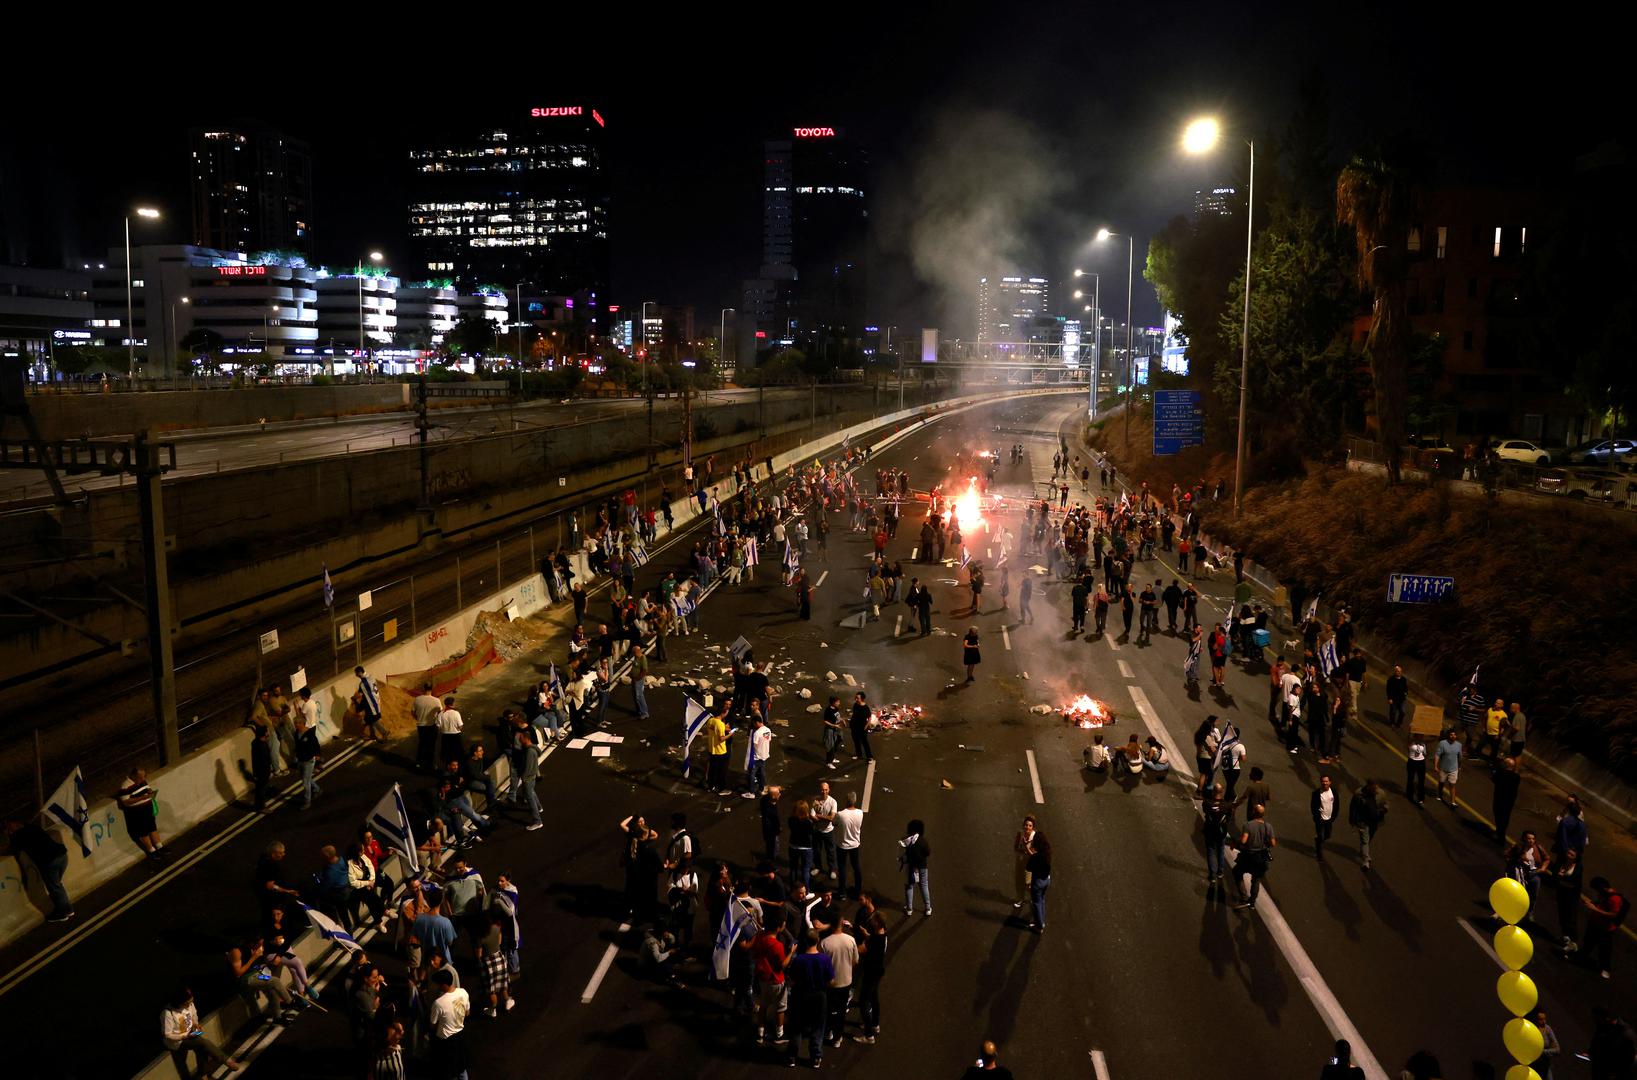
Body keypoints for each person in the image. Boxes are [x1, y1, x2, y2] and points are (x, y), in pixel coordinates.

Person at [4, 818, 74, 922]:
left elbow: (12, 850)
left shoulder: (18, 836)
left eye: (9, 828)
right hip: (61, 855)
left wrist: (10, 836)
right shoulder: (33, 827)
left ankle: (62, 912)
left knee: (54, 886)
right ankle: (66, 908)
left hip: (49, 861)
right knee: (56, 884)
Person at [161, 986, 241, 1075]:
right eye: (187, 1003)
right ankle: (227, 1061)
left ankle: (203, 1074)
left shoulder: (190, 1004)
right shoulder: (168, 1013)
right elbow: (167, 1035)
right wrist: (184, 1036)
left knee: (200, 1048)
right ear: (180, 1002)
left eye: (191, 1002)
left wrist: (195, 1024)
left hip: (189, 1033)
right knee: (199, 1046)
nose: (189, 1005)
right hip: (177, 1041)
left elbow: (194, 1015)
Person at [1580, 876, 1629, 980]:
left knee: (1604, 950)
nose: (1596, 891)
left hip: (1605, 929)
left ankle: (1606, 969)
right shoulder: (1605, 894)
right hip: (1595, 924)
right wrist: (1593, 904)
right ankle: (1581, 958)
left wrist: (1595, 909)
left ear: (1602, 887)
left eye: (1596, 889)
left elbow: (1613, 914)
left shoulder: (1615, 898)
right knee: (1588, 943)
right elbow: (1602, 904)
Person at [820, 918, 858, 1048]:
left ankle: (829, 1031)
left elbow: (821, 965)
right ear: (841, 925)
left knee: (829, 1008)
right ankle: (838, 1037)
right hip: (846, 980)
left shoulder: (825, 943)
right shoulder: (851, 940)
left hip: (830, 982)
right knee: (841, 1010)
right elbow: (855, 961)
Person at [427, 968, 471, 1079]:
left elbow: (433, 1024)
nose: (437, 987)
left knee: (449, 1071)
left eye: (438, 984)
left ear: (444, 985)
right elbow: (467, 1013)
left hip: (446, 1041)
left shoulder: (438, 1003)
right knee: (462, 1067)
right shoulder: (463, 992)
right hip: (460, 1035)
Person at [619, 814, 662, 920]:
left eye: (643, 820)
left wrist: (632, 817)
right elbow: (655, 835)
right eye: (640, 821)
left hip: (632, 865)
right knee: (637, 887)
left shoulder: (633, 833)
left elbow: (622, 824)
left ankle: (630, 907)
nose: (642, 823)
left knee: (631, 886)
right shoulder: (641, 837)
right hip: (638, 867)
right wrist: (647, 839)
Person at [116, 768, 165, 859]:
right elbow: (126, 802)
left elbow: (147, 788)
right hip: (137, 813)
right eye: (140, 777)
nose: (143, 779)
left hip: (147, 810)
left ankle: (159, 847)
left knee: (152, 828)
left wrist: (150, 792)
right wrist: (142, 798)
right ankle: (151, 851)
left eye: (144, 777)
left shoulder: (141, 781)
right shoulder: (124, 787)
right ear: (133, 776)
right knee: (143, 832)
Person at [1235, 803, 1276, 911]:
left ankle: (1244, 896)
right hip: (1261, 859)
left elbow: (1243, 840)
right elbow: (1273, 843)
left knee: (1237, 872)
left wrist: (1236, 842)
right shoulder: (1268, 826)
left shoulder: (1248, 825)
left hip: (1249, 857)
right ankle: (1252, 902)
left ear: (1254, 812)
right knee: (1256, 880)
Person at [1348, 779, 1386, 872]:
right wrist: (1352, 819)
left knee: (1369, 838)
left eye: (1376, 788)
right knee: (1365, 840)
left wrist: (1384, 810)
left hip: (1375, 821)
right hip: (1362, 821)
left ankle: (1363, 851)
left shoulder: (1381, 793)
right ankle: (1366, 860)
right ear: (1368, 787)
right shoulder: (1359, 793)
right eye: (1374, 788)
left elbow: (1385, 804)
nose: (1376, 790)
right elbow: (1353, 807)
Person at [1553, 847, 1584, 953]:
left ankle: (1574, 942)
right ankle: (1565, 937)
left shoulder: (1578, 867)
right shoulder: (1561, 863)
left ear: (1576, 858)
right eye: (1568, 853)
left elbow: (1574, 881)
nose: (1568, 856)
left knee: (1571, 918)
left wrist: (1562, 877)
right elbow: (1555, 874)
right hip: (1561, 894)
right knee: (1562, 916)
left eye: (1572, 855)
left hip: (1571, 897)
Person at [1202, 784, 1232, 888]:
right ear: (1222, 792)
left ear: (1213, 792)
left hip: (1209, 831)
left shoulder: (1207, 803)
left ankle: (1212, 875)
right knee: (1220, 850)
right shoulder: (1227, 805)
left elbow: (1205, 811)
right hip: (1221, 832)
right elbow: (1229, 818)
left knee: (1210, 851)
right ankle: (1220, 871)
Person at [835, 792, 864, 900]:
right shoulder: (860, 813)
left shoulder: (840, 814)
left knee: (842, 867)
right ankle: (858, 891)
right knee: (856, 867)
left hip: (842, 845)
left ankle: (842, 892)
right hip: (855, 844)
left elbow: (834, 823)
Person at [900, 819, 931, 916]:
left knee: (909, 886)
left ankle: (909, 909)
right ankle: (927, 908)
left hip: (911, 867)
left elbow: (903, 852)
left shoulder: (907, 840)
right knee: (924, 886)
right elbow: (927, 852)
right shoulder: (923, 840)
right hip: (922, 866)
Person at [1025, 828, 1052, 933]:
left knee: (1036, 903)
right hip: (1046, 880)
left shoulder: (1035, 857)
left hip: (1037, 883)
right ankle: (1042, 921)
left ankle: (1039, 926)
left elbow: (1028, 869)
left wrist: (1028, 884)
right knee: (1042, 900)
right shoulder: (1048, 852)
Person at [294, 712, 322, 809]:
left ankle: (307, 801)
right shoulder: (296, 733)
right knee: (307, 779)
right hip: (300, 760)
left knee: (305, 783)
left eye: (298, 723)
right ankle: (317, 789)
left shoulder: (309, 734)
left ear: (302, 723)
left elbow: (316, 745)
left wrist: (317, 754)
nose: (296, 725)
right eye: (295, 723)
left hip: (309, 761)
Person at [812, 781, 839, 881]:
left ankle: (832, 869)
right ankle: (818, 867)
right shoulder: (815, 801)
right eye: (822, 789)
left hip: (828, 831)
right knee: (817, 851)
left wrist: (818, 816)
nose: (824, 791)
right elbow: (811, 816)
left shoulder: (833, 802)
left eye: (826, 789)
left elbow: (831, 818)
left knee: (830, 851)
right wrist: (824, 817)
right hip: (817, 830)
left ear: (829, 790)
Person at [787, 799, 816, 890]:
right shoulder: (808, 822)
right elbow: (811, 832)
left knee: (793, 868)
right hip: (805, 847)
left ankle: (793, 889)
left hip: (793, 846)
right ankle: (806, 890)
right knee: (805, 870)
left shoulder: (791, 820)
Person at [1492, 755, 1522, 842]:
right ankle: (1501, 832)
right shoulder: (1517, 777)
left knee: (1498, 815)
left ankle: (1500, 834)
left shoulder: (1501, 774)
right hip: (1510, 801)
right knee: (1505, 817)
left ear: (1506, 765)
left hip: (1499, 798)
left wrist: (1497, 766)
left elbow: (1494, 778)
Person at [1012, 815, 1038, 911]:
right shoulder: (1020, 834)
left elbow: (1034, 853)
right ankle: (1020, 898)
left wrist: (1026, 849)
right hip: (1020, 861)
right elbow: (1015, 847)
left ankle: (1033, 899)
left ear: (1032, 827)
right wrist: (1021, 852)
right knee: (1018, 880)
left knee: (1028, 884)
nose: (1027, 827)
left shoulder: (1035, 837)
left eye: (1030, 825)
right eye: (1026, 825)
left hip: (1030, 864)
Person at [1311, 775, 1337, 863]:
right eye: (1323, 781)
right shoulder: (1316, 793)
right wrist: (1317, 817)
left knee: (1328, 835)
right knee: (1321, 837)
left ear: (1330, 782)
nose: (1324, 783)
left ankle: (1318, 839)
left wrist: (1333, 817)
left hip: (1329, 819)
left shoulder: (1333, 792)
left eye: (1326, 781)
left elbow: (1336, 804)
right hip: (1320, 820)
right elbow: (1313, 807)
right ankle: (1319, 856)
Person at [1434, 729, 1463, 808]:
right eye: (1451, 735)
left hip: (1454, 769)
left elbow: (1460, 757)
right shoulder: (1442, 743)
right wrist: (1436, 766)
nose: (1453, 736)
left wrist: (1459, 766)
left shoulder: (1459, 745)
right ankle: (1439, 795)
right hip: (1443, 768)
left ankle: (1453, 802)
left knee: (1452, 785)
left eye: (1454, 735)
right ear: (1448, 735)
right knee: (1441, 782)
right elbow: (1437, 755)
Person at [355, 665, 384, 741]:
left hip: (371, 703)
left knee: (372, 719)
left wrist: (355, 698)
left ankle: (384, 732)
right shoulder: (371, 677)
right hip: (376, 700)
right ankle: (372, 735)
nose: (356, 675)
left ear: (360, 672)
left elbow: (360, 694)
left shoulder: (363, 683)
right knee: (369, 718)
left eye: (356, 673)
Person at [437, 696, 465, 769]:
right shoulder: (456, 713)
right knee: (457, 754)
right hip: (455, 736)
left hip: (445, 736)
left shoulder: (441, 714)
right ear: (452, 704)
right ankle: (457, 769)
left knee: (447, 754)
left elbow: (438, 725)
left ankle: (447, 768)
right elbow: (460, 726)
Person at [849, 692, 875, 763]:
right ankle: (859, 754)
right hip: (854, 726)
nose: (856, 699)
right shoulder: (855, 705)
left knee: (865, 742)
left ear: (862, 699)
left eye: (858, 698)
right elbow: (854, 715)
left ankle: (870, 757)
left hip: (862, 727)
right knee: (856, 741)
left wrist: (867, 725)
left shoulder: (865, 708)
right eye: (856, 697)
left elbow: (869, 717)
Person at [759, 786, 783, 861]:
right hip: (771, 831)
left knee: (769, 846)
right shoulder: (771, 810)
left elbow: (767, 795)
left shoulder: (764, 800)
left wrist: (775, 789)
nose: (780, 794)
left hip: (766, 829)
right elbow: (775, 821)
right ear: (773, 796)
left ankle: (770, 857)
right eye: (778, 794)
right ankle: (772, 861)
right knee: (773, 847)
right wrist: (778, 829)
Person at [821, 696, 845, 768]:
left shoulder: (836, 708)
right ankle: (829, 762)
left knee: (839, 740)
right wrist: (834, 725)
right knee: (830, 746)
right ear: (833, 702)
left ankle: (832, 757)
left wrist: (842, 720)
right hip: (830, 730)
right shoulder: (828, 710)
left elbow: (838, 716)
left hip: (837, 729)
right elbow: (825, 721)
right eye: (838, 702)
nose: (839, 703)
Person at [1405, 731, 1428, 807]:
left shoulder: (1423, 744)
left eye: (1422, 736)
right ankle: (1409, 794)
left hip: (1421, 762)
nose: (1421, 737)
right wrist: (1410, 729)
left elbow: (1425, 753)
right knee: (1410, 778)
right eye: (1419, 735)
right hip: (1412, 762)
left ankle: (1421, 799)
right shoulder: (1411, 743)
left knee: (1421, 781)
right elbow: (1408, 737)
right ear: (1415, 736)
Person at [1384, 665, 1409, 730]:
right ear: (1395, 672)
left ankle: (1398, 723)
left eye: (1400, 671)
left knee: (1402, 712)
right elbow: (1388, 689)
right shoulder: (1391, 679)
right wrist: (1389, 698)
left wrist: (1406, 693)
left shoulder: (1403, 679)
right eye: (1397, 671)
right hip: (1393, 699)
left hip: (1401, 699)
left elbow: (1406, 688)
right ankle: (1392, 723)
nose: (1399, 673)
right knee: (1393, 712)